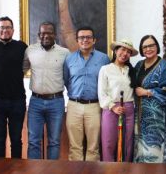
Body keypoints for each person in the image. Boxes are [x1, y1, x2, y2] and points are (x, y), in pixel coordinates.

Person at [23, 21, 70, 159]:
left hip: (56, 102)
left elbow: (68, 77)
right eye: (42, 33)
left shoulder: (64, 53)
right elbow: (21, 70)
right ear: (38, 35)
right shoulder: (30, 50)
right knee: (33, 142)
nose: (45, 36)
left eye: (49, 32)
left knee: (54, 142)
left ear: (55, 34)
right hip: (35, 102)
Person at [63, 26, 110, 161]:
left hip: (94, 106)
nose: (85, 40)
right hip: (74, 105)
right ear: (77, 40)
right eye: (81, 37)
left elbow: (107, 82)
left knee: (93, 147)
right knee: (75, 147)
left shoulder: (104, 59)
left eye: (88, 37)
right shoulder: (69, 59)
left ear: (94, 40)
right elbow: (66, 80)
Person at [0, 16, 27, 158]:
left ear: (13, 30)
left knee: (16, 140)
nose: (5, 30)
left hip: (17, 101)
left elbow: (26, 67)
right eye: (1, 27)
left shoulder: (21, 46)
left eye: (8, 27)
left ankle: (17, 169)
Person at [133, 35, 166, 163]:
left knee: (154, 151)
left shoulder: (163, 65)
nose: (148, 49)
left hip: (156, 117)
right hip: (139, 114)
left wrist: (147, 92)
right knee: (140, 150)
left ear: (157, 47)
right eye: (145, 47)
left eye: (151, 45)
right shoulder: (139, 65)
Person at [98, 39, 138, 162]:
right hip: (111, 109)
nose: (125, 53)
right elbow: (102, 93)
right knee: (109, 142)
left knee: (127, 143)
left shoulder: (131, 70)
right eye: (122, 49)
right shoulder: (105, 69)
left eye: (128, 52)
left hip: (129, 109)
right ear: (116, 51)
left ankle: (126, 169)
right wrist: (113, 107)